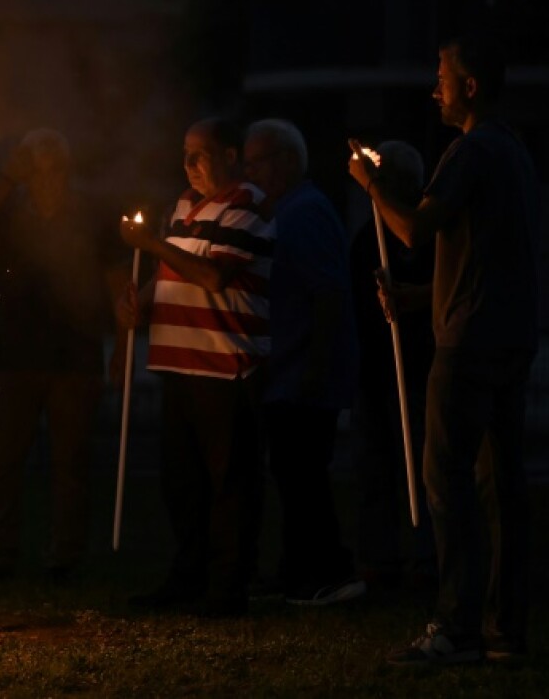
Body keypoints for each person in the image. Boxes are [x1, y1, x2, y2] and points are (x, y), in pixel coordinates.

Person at [348, 34, 539, 665]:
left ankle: (454, 628)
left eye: (443, 77)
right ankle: (503, 628)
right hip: (510, 337)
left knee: (447, 482)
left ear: (471, 87)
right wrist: (414, 298)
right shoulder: (515, 153)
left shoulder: (469, 152)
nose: (436, 90)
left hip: (466, 345)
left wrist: (371, 186)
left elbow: (414, 228)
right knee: (500, 485)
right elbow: (487, 261)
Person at [117, 117, 273, 617]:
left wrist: (149, 246)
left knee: (229, 485)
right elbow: (172, 273)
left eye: (199, 154)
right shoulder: (183, 205)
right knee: (181, 483)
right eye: (184, 153)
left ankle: (227, 590)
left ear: (230, 155)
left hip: (226, 369)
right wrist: (139, 302)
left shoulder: (249, 204)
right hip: (178, 366)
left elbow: (212, 275)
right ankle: (189, 577)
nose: (189, 165)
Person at [0, 128, 119, 581]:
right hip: (16, 352)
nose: (48, 174)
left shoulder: (91, 213)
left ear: (67, 169)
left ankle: (65, 554)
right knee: (3, 459)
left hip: (76, 352)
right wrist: (4, 181)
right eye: (38, 165)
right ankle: (0, 554)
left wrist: (123, 345)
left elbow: (115, 278)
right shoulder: (10, 209)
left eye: (55, 165)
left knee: (70, 460)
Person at [242, 118, 363, 605]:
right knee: (294, 474)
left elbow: (328, 293)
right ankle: (297, 570)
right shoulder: (293, 209)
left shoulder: (302, 213)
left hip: (302, 373)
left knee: (303, 474)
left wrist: (314, 367)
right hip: (293, 369)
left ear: (287, 162)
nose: (250, 172)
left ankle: (327, 570)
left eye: (257, 162)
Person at [348, 140, 437, 590]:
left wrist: (406, 298)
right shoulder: (369, 236)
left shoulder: (427, 231)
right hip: (376, 370)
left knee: (422, 470)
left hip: (418, 368)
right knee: (374, 469)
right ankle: (379, 564)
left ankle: (426, 561)